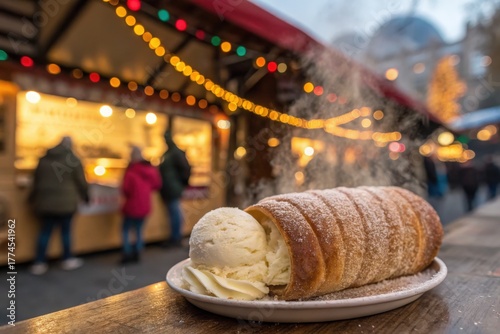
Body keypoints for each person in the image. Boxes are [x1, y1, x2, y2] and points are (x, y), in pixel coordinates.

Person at [29, 136, 89, 275]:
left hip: (45, 202)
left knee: (45, 232)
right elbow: (81, 182)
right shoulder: (73, 160)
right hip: (66, 203)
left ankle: (39, 262)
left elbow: (35, 181)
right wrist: (86, 196)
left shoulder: (44, 159)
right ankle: (67, 259)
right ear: (70, 146)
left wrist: (32, 198)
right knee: (66, 232)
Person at [120, 146, 162, 264]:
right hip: (145, 205)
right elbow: (157, 185)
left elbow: (125, 189)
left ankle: (127, 253)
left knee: (126, 229)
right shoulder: (150, 169)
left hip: (131, 205)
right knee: (139, 230)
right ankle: (138, 252)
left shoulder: (131, 170)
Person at [159, 130, 191, 247]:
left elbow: (185, 169)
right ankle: (174, 236)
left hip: (173, 188)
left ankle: (176, 238)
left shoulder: (175, 153)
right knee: (173, 213)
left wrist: (182, 184)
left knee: (175, 212)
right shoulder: (168, 153)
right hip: (168, 188)